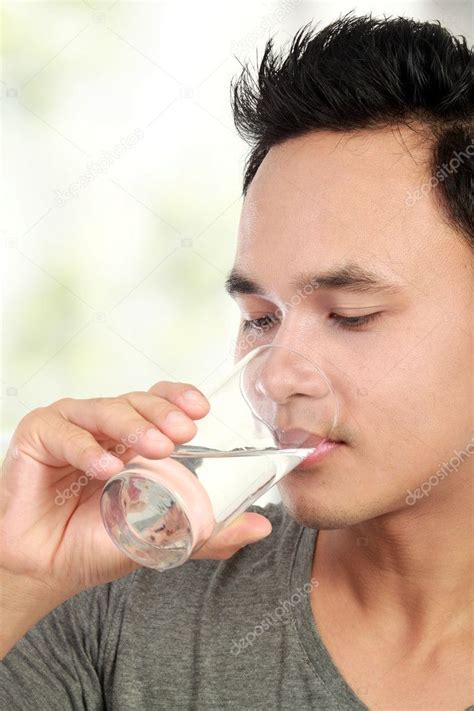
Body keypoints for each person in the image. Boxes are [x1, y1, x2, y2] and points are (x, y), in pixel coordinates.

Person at [1, 14, 472, 710]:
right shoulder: (119, 604)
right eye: (261, 319)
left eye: (350, 314)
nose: (278, 376)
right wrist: (19, 578)